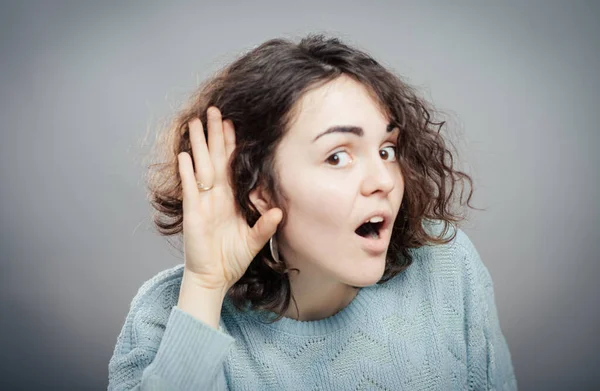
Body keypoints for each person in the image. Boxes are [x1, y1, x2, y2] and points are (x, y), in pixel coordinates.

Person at [107, 34, 517, 390]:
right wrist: (205, 287)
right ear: (261, 191)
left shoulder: (445, 265)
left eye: (386, 150)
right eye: (338, 156)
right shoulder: (167, 312)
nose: (384, 180)